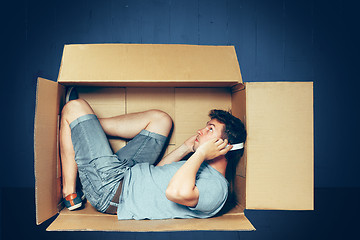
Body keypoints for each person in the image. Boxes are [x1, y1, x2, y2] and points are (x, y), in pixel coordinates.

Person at [60, 88, 246, 220]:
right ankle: (84, 126)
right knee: (162, 120)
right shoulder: (204, 167)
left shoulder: (217, 189)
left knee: (73, 107)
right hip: (129, 173)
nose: (200, 130)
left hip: (111, 190)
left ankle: (69, 192)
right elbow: (157, 173)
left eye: (210, 130)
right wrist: (186, 148)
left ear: (224, 146)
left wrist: (201, 153)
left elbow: (174, 192)